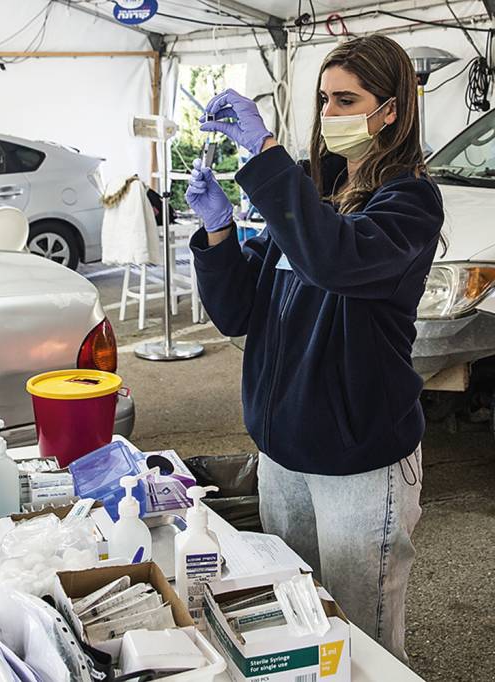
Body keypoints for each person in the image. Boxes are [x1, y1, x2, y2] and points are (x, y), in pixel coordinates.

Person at [184, 35, 443, 661]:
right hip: (285, 452)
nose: (330, 115)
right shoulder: (309, 194)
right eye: (325, 99)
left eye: (347, 100)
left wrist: (268, 159)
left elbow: (334, 259)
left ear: (392, 111)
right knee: (301, 627)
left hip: (358, 458)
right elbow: (238, 312)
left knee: (362, 637)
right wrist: (218, 233)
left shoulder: (409, 202)